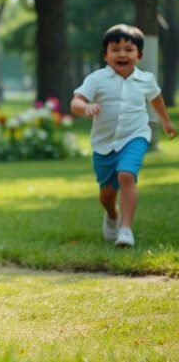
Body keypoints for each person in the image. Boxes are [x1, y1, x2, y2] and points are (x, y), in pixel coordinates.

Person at [70, 24, 176, 248]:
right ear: (105, 55)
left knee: (127, 175)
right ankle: (112, 214)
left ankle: (126, 229)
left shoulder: (146, 79)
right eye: (115, 49)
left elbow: (156, 99)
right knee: (106, 194)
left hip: (135, 136)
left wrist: (166, 122)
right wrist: (85, 108)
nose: (122, 54)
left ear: (140, 55)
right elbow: (76, 101)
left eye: (129, 49)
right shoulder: (97, 79)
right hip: (104, 144)